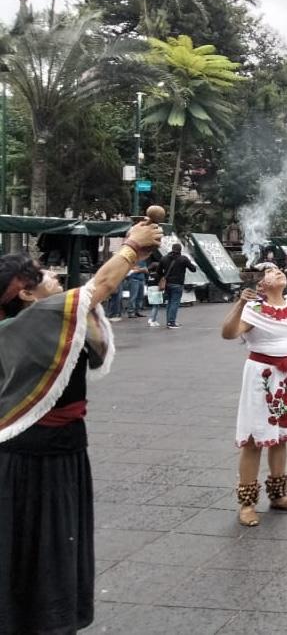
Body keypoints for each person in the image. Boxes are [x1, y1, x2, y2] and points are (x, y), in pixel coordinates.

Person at [0, 219, 163, 634]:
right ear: (25, 293)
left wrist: (135, 255)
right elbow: (97, 290)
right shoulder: (34, 321)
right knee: (42, 543)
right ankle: (41, 620)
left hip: (59, 449)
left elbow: (89, 305)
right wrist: (129, 247)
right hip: (35, 457)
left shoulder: (39, 320)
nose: (53, 275)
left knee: (45, 541)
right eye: (42, 275)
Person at [221, 265, 287, 527]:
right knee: (254, 438)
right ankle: (247, 502)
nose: (278, 271)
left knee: (281, 436)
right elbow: (228, 333)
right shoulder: (253, 309)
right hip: (263, 378)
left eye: (279, 269)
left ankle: (279, 495)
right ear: (260, 285)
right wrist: (239, 304)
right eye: (271, 271)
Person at [156, 243, 196, 329]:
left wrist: (164, 277)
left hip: (167, 283)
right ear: (180, 250)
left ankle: (169, 321)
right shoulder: (183, 259)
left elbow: (158, 271)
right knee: (174, 303)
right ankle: (171, 322)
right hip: (178, 284)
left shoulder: (164, 258)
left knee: (170, 302)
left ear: (172, 249)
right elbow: (193, 269)